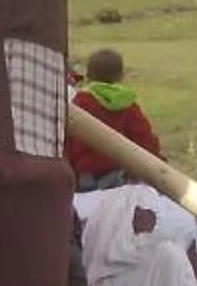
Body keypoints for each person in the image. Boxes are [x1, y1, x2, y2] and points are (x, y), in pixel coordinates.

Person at [68, 46, 164, 188]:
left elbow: (68, 140)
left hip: (84, 176)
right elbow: (144, 139)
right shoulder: (128, 104)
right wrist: (159, 163)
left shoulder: (80, 102)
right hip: (118, 175)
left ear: (87, 75)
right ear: (120, 75)